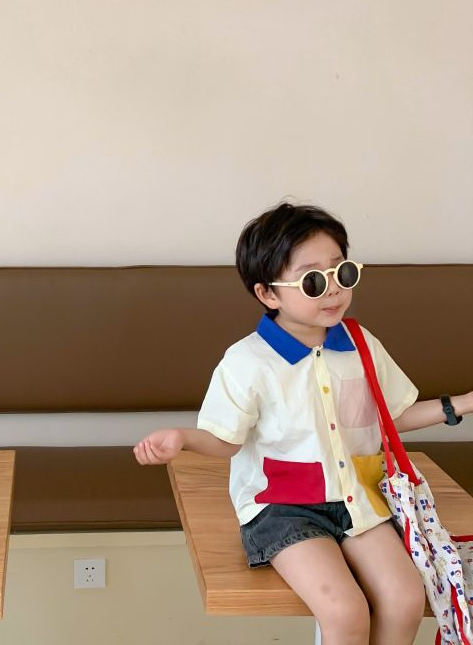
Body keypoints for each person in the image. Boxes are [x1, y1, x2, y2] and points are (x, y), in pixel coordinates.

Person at [135, 202, 472, 645]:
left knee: (405, 598)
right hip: (283, 508)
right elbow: (226, 440)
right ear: (268, 294)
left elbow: (391, 418)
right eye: (313, 281)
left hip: (358, 498)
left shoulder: (360, 343)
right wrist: (182, 438)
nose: (333, 291)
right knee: (344, 610)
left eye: (342, 273)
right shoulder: (247, 361)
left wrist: (464, 404)